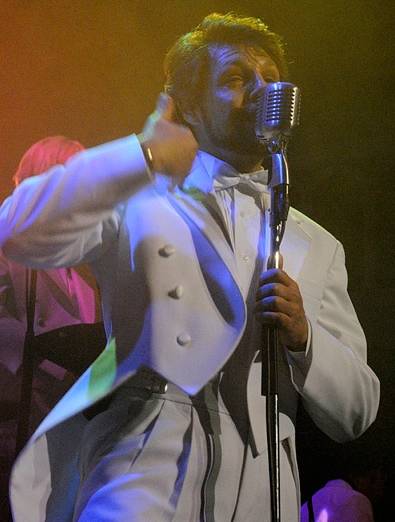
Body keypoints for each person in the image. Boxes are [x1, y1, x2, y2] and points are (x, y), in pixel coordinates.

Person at [1, 12, 379, 522]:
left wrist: (304, 337)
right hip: (145, 470)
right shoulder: (140, 194)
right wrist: (143, 154)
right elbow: (17, 232)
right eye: (237, 79)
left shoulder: (317, 242)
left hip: (262, 485)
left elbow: (357, 410)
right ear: (192, 108)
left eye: (271, 79)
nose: (263, 90)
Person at [0, 137, 103, 521]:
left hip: (60, 429)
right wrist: (35, 354)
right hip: (13, 419)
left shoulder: (84, 270)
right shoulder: (9, 239)